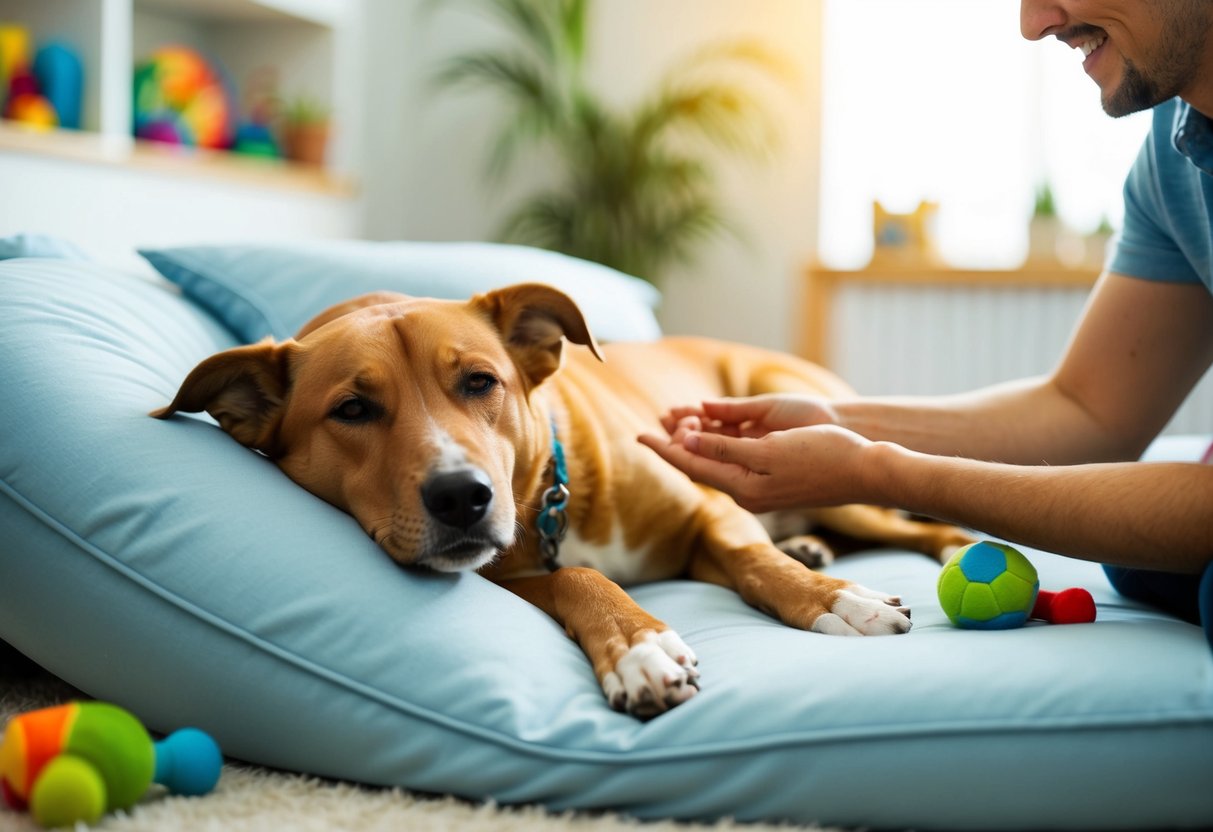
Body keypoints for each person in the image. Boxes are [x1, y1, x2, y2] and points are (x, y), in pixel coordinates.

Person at [638, 0, 1213, 647]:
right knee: (1137, 558)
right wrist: (841, 423)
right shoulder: (1173, 155)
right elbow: (1085, 412)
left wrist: (878, 473)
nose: (1032, 23)